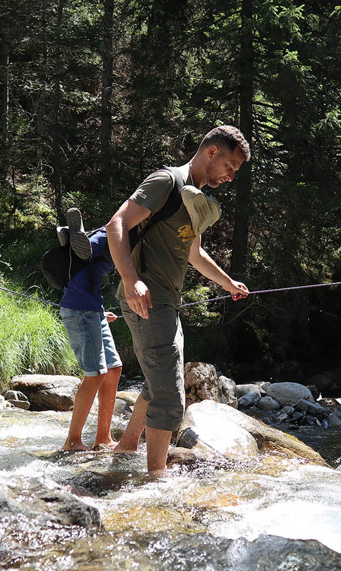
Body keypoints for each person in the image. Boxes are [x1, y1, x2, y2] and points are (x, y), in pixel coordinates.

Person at [106, 125, 251, 472]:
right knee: (170, 397)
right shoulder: (166, 182)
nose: (231, 176)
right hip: (146, 300)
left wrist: (229, 283)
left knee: (158, 383)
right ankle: (155, 479)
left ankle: (126, 449)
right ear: (211, 152)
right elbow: (117, 224)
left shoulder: (194, 198)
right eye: (230, 166)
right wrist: (131, 280)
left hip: (166, 303)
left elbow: (195, 256)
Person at [57, 208, 123, 451]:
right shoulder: (114, 234)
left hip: (94, 309)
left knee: (113, 369)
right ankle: (72, 441)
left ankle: (103, 437)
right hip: (79, 310)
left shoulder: (123, 237)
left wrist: (99, 312)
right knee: (95, 374)